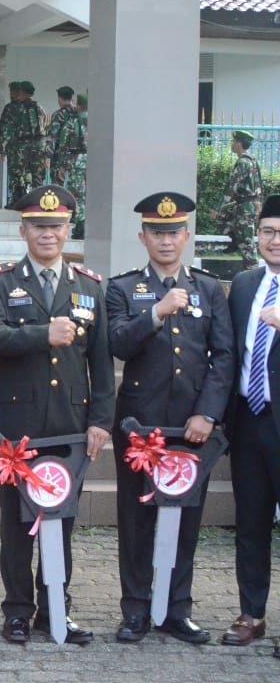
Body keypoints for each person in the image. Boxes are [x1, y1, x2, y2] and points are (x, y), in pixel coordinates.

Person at [0, 184, 114, 644]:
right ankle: (17, 610)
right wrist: (42, 334)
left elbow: (101, 362)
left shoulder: (90, 286)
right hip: (18, 430)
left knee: (63, 521)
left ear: (68, 228)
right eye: (39, 226)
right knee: (18, 526)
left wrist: (100, 420)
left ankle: (57, 607)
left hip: (71, 429)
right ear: (23, 230)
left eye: (56, 226)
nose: (48, 234)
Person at [105, 192, 232, 644]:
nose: (165, 240)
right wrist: (156, 312)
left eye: (173, 232)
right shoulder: (122, 288)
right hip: (140, 426)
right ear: (142, 237)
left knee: (187, 516)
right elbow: (118, 343)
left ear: (186, 236)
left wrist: (208, 414)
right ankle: (136, 609)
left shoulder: (209, 287)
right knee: (136, 517)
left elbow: (224, 356)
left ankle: (177, 609)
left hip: (191, 427)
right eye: (156, 233)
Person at [220, 194, 280, 651]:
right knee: (252, 522)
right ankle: (251, 613)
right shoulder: (243, 284)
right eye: (268, 232)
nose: (275, 241)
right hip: (250, 422)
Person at [211, 130, 264, 270]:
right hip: (245, 205)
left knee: (247, 244)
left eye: (233, 142)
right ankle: (235, 240)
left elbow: (232, 187)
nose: (232, 144)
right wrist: (258, 205)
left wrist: (218, 208)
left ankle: (253, 272)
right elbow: (259, 185)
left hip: (245, 208)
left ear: (239, 143)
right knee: (225, 220)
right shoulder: (252, 160)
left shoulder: (243, 162)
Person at [16, 82, 47, 197]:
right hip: (38, 145)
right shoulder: (39, 107)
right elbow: (43, 126)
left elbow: (15, 127)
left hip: (24, 145)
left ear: (23, 92)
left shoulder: (19, 108)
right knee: (37, 174)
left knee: (21, 173)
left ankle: (23, 198)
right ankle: (39, 200)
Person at [46, 87, 80, 187]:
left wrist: (48, 155)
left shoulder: (58, 115)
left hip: (59, 155)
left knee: (56, 185)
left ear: (60, 99)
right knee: (74, 184)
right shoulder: (77, 113)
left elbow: (53, 136)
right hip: (75, 155)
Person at [0, 82, 22, 203]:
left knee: (14, 173)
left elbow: (3, 128)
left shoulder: (10, 108)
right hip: (28, 149)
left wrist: (0, 147)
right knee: (25, 174)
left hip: (14, 147)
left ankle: (16, 199)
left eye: (11, 91)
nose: (10, 94)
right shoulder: (30, 107)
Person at [69, 94, 89, 238]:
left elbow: (67, 141)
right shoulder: (100, 120)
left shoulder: (75, 120)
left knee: (79, 194)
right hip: (98, 162)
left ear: (80, 105)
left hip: (79, 160)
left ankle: (80, 226)